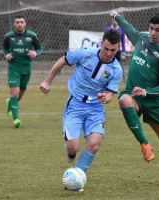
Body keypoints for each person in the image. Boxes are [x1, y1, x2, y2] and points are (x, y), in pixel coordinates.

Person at [39, 29, 123, 175]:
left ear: (118, 48)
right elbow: (63, 60)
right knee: (73, 148)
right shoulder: (85, 53)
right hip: (75, 104)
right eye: (106, 49)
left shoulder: (116, 70)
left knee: (94, 144)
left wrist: (106, 98)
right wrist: (47, 81)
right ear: (100, 44)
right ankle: (70, 152)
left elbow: (111, 95)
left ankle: (78, 174)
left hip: (96, 109)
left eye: (113, 50)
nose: (109, 53)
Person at [109, 10, 159, 162]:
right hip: (133, 96)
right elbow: (127, 27)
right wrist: (116, 16)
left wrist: (145, 91)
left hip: (153, 102)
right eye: (151, 28)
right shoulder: (141, 39)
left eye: (158, 30)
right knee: (124, 100)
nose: (153, 33)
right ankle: (145, 144)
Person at [2, 15, 43, 128]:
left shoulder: (32, 35)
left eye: (21, 22)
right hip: (13, 68)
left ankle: (10, 103)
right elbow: (4, 48)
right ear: (14, 24)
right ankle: (16, 119)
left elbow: (39, 48)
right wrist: (6, 55)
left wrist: (35, 53)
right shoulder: (9, 36)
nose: (19, 24)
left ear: (25, 23)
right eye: (17, 22)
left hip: (26, 68)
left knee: (20, 94)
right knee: (14, 93)